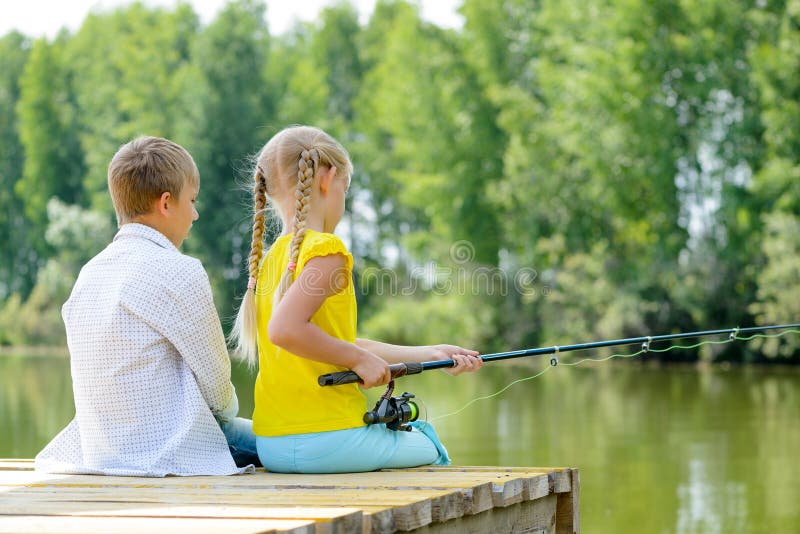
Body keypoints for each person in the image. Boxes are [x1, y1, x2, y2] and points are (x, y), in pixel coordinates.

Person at [230, 125, 483, 474]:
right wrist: (358, 359)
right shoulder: (326, 251)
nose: (345, 202)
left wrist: (430, 354)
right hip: (330, 441)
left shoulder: (270, 260)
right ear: (327, 177)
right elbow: (285, 329)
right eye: (345, 189)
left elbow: (333, 343)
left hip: (272, 444)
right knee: (429, 441)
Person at [35, 136, 258, 477]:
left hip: (101, 452)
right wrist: (225, 415)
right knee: (289, 442)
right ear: (166, 203)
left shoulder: (88, 274)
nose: (195, 214)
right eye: (192, 201)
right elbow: (217, 387)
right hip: (169, 451)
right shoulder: (180, 272)